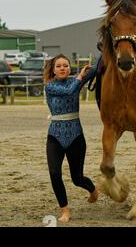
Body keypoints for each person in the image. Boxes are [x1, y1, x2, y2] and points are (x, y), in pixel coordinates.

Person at [43, 54, 100, 223]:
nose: (62, 68)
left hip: (76, 136)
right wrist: (80, 76)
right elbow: (69, 91)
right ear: (53, 70)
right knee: (54, 173)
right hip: (55, 136)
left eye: (65, 65)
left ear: (70, 67)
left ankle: (93, 190)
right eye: (59, 66)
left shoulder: (77, 80)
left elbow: (97, 67)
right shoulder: (50, 86)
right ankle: (65, 210)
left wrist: (107, 46)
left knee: (77, 178)